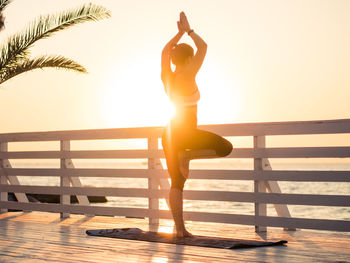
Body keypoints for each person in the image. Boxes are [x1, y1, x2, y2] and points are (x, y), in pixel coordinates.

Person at [161, 12, 233, 237]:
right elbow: (204, 47)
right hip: (186, 134)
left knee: (177, 182)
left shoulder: (167, 76)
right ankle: (189, 156)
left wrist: (178, 34)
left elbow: (164, 52)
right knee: (225, 147)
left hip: (170, 132)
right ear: (189, 60)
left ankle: (180, 230)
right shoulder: (189, 73)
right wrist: (189, 31)